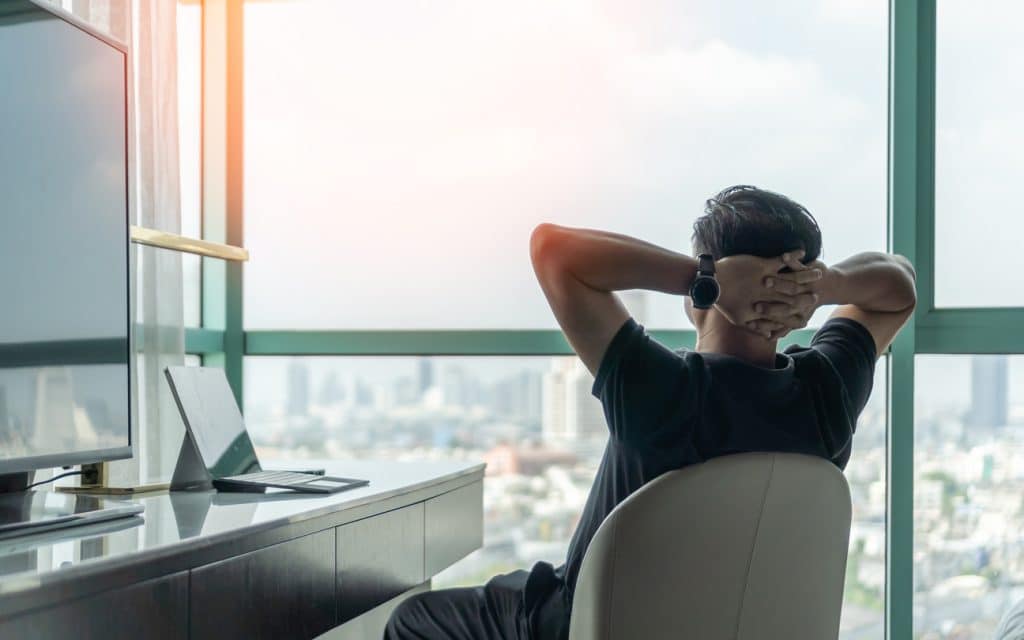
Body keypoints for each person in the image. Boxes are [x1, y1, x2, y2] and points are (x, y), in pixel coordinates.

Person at [384, 185, 917, 639]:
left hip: (579, 624)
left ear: (707, 285)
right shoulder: (827, 391)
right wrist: (820, 285)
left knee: (413, 619)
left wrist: (701, 275)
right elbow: (898, 284)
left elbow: (552, 249)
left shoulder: (662, 389)